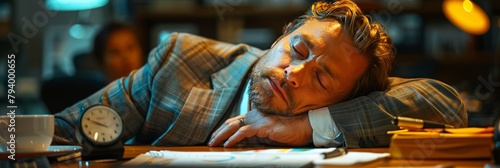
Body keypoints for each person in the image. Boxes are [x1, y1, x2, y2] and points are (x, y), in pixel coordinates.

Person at [52, 0, 466, 148]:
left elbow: (445, 105)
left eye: (322, 80)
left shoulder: (354, 98)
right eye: (298, 50)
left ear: (342, 98)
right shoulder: (182, 60)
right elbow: (62, 132)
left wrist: (309, 127)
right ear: (282, 34)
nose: (295, 74)